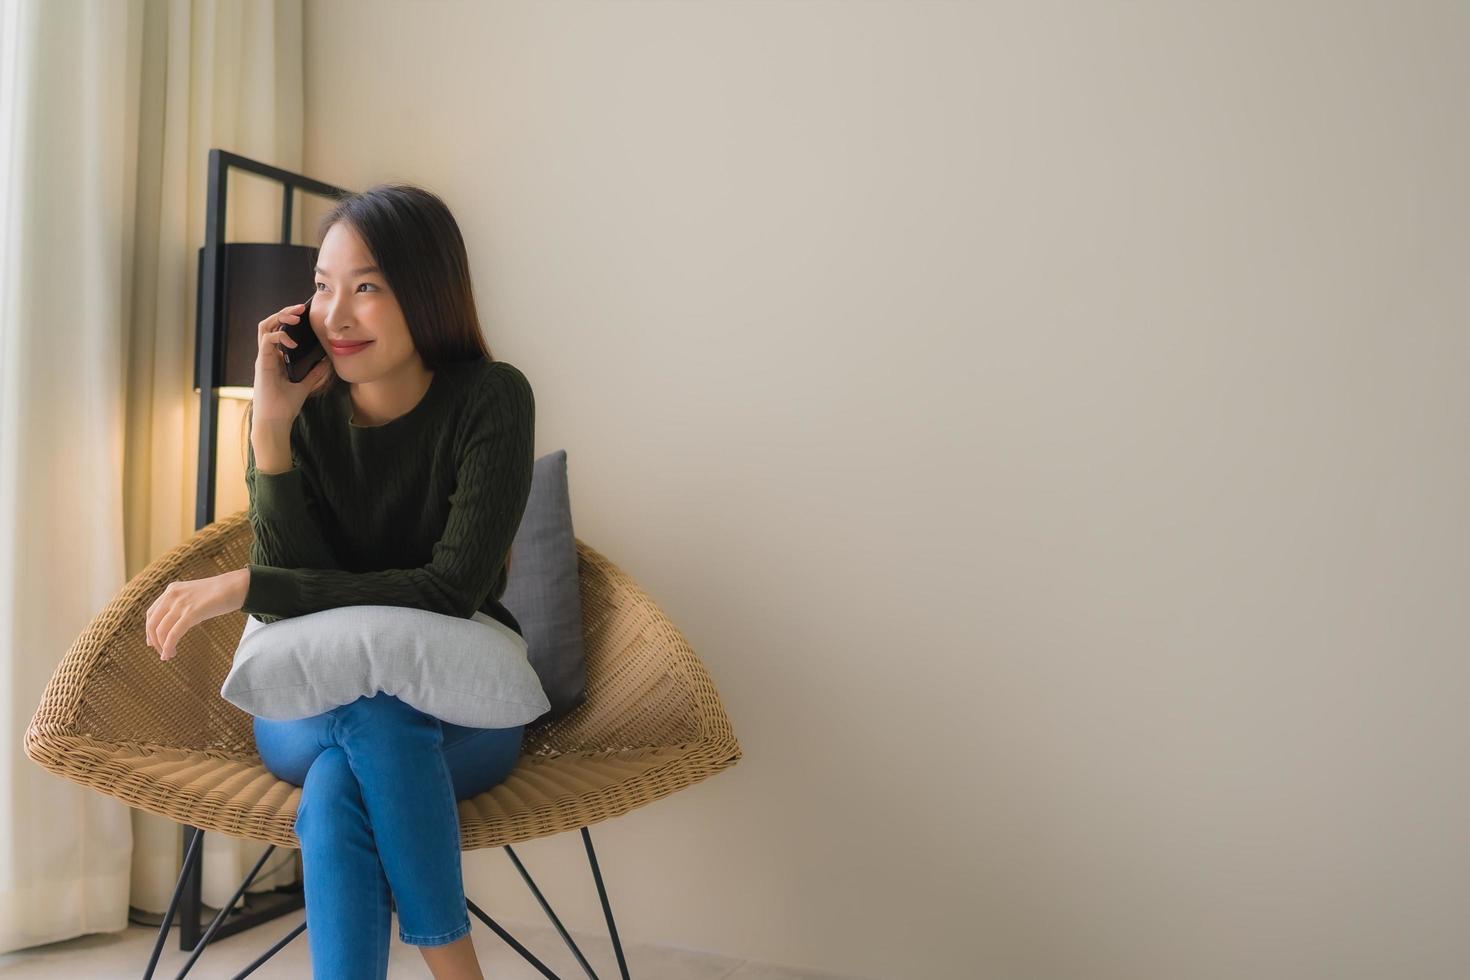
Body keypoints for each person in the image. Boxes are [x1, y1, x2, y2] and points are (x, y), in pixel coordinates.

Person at [143, 182, 536, 980]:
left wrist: (242, 587)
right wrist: (271, 427)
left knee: (343, 778)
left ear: (426, 292)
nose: (336, 314)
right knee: (366, 714)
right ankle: (459, 971)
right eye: (323, 287)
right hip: (308, 712)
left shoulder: (491, 400)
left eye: (366, 288)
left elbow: (449, 589)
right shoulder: (305, 414)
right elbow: (296, 577)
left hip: (459, 710)